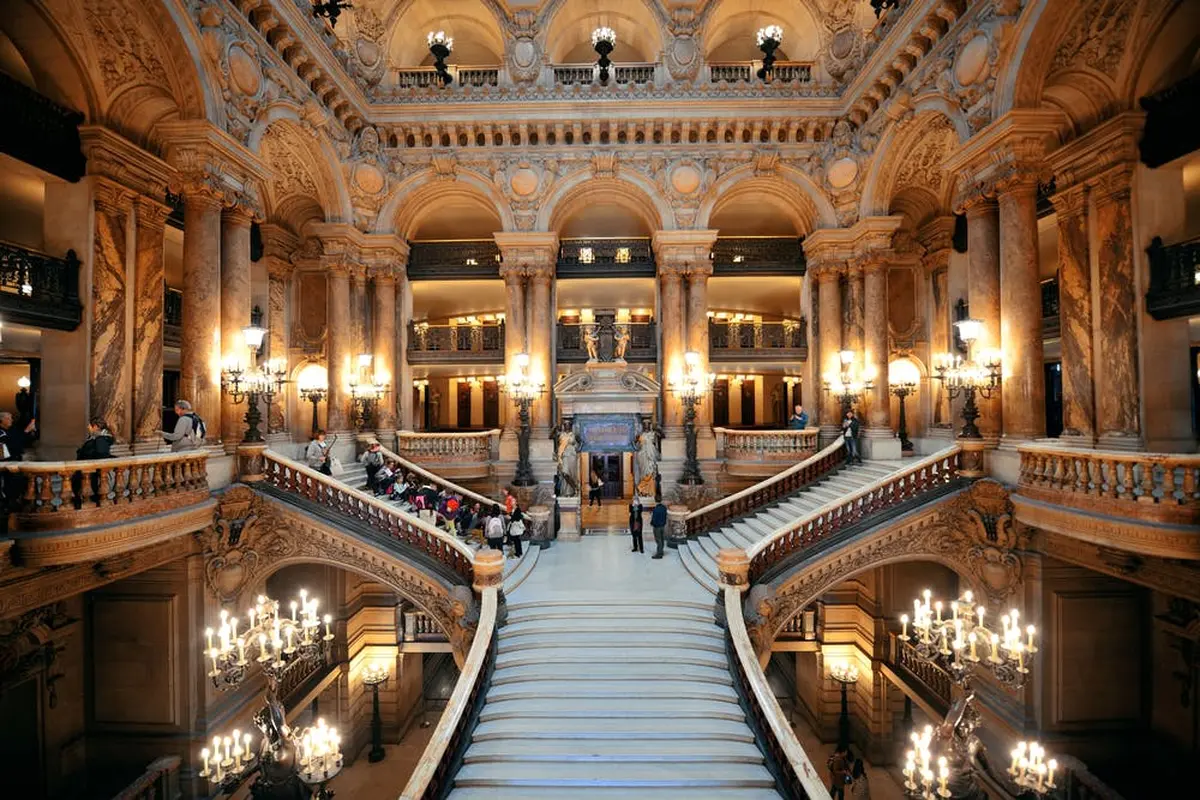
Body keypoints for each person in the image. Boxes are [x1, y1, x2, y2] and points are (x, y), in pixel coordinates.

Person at [72, 418, 114, 506]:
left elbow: (101, 454)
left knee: (91, 494)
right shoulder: (95, 438)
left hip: (90, 472)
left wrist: (86, 454)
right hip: (86, 471)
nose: (88, 427)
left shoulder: (101, 439)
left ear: (95, 426)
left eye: (89, 425)